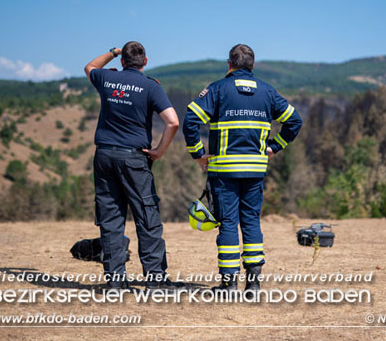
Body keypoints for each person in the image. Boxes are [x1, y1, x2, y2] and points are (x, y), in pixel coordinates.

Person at [182, 44, 302, 292]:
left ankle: (228, 285)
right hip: (255, 170)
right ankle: (254, 283)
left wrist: (198, 154)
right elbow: (294, 121)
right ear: (252, 65)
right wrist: (274, 147)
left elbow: (191, 120)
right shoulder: (267, 92)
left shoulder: (217, 88)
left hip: (224, 170)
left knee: (227, 223)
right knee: (250, 221)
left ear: (229, 64)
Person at [85, 41, 180, 290]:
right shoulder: (150, 86)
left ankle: (115, 283)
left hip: (104, 156)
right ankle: (155, 281)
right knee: (146, 217)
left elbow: (89, 67)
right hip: (135, 158)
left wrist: (112, 52)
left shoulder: (107, 78)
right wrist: (159, 150)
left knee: (111, 219)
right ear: (145, 62)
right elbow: (172, 122)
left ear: (122, 61)